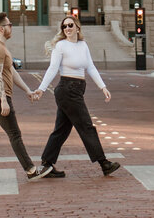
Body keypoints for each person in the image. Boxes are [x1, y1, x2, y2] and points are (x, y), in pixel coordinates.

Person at [33, 15, 121, 177]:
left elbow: (91, 67)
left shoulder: (83, 45)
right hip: (67, 90)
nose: (67, 29)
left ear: (77, 27)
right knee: (86, 126)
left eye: (70, 25)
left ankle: (47, 164)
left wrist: (103, 87)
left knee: (61, 129)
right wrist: (42, 88)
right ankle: (104, 163)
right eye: (64, 26)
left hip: (77, 89)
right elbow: (53, 68)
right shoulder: (60, 46)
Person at [0, 12, 53, 182]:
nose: (11, 27)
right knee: (14, 134)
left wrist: (27, 90)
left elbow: (11, 72)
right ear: (1, 29)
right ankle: (30, 170)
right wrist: (3, 100)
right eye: (9, 25)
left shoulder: (0, 47)